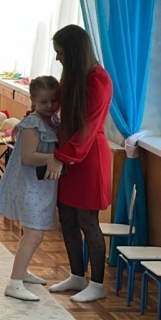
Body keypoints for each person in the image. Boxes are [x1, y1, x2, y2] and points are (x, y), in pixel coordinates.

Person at [43, 25, 113, 303]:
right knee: (67, 218)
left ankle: (98, 283)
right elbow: (54, 105)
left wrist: (62, 157)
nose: (57, 58)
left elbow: (88, 127)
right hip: (69, 153)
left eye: (60, 52)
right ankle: (77, 275)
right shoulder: (73, 75)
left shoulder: (98, 79)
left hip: (88, 156)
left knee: (87, 220)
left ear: (73, 51)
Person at [0, 76, 61, 301]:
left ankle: (22, 271)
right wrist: (54, 158)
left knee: (29, 232)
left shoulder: (53, 121)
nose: (49, 106)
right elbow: (28, 156)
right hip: (29, 186)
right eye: (43, 102)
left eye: (53, 101)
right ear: (33, 100)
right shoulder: (33, 124)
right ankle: (14, 282)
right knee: (34, 234)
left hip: (40, 187)